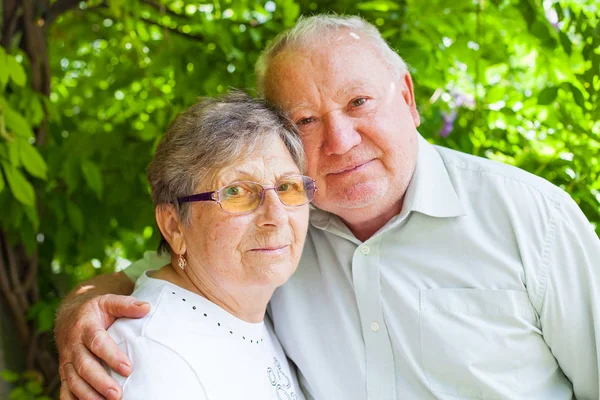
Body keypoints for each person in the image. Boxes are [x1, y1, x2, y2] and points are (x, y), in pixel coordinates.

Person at [55, 15, 600, 400]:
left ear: (407, 98)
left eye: (358, 102)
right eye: (306, 122)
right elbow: (154, 282)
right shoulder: (277, 231)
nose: (340, 141)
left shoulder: (531, 219)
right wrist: (78, 320)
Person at [101, 91, 312, 399]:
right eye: (236, 192)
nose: (276, 216)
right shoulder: (149, 357)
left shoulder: (244, 312)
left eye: (287, 187)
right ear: (174, 226)